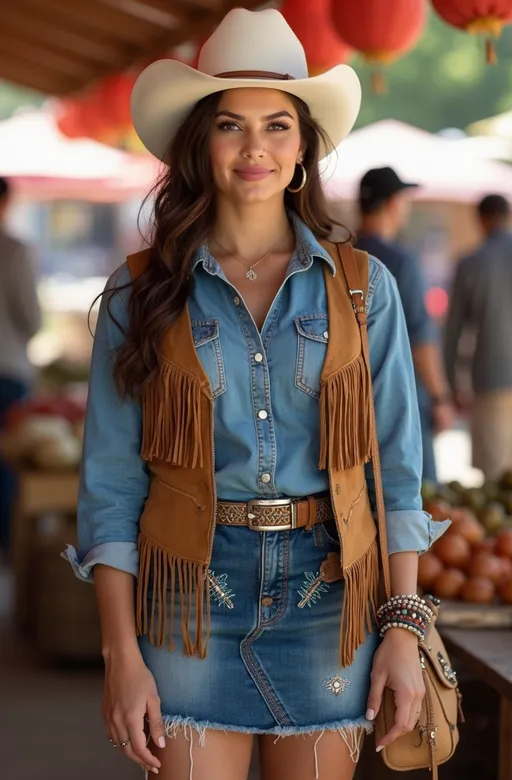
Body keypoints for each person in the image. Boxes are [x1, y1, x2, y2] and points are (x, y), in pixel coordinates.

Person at [63, 10, 449, 780]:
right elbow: (110, 487)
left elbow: (396, 477)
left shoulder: (363, 289)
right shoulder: (141, 294)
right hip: (187, 595)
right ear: (200, 143)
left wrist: (404, 630)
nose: (255, 149)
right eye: (231, 125)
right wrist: (120, 654)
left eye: (277, 125)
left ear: (303, 146)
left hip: (330, 595)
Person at [355, 167, 454, 484]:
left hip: (345, 402)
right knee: (420, 495)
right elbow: (421, 338)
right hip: (401, 398)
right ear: (393, 204)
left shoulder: (338, 256)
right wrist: (439, 398)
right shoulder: (400, 261)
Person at [444, 194, 512, 481]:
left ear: (481, 219)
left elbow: (454, 330)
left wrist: (451, 384)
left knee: (496, 477)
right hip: (493, 375)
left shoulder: (471, 263)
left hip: (490, 376)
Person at [0, 177, 41, 553]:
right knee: (8, 464)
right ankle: (7, 546)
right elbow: (30, 317)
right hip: (8, 369)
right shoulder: (13, 250)